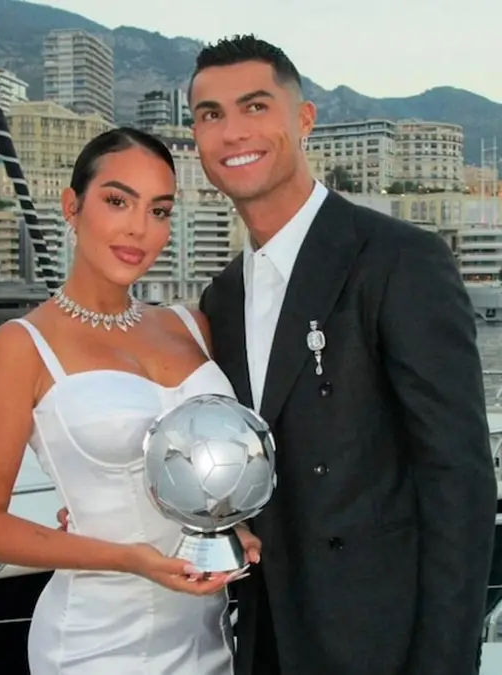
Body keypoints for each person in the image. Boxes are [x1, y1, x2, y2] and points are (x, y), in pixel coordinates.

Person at [59, 35, 496, 675]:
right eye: (210, 115)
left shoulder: (400, 260)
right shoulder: (224, 296)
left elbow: (460, 480)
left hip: (381, 641)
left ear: (304, 119)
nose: (233, 132)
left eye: (255, 106)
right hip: (263, 636)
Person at [0, 126, 261, 675]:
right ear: (72, 206)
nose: (139, 229)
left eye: (159, 210)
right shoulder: (21, 348)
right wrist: (127, 558)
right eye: (118, 201)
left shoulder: (192, 326)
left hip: (207, 634)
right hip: (96, 643)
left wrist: (229, 523)